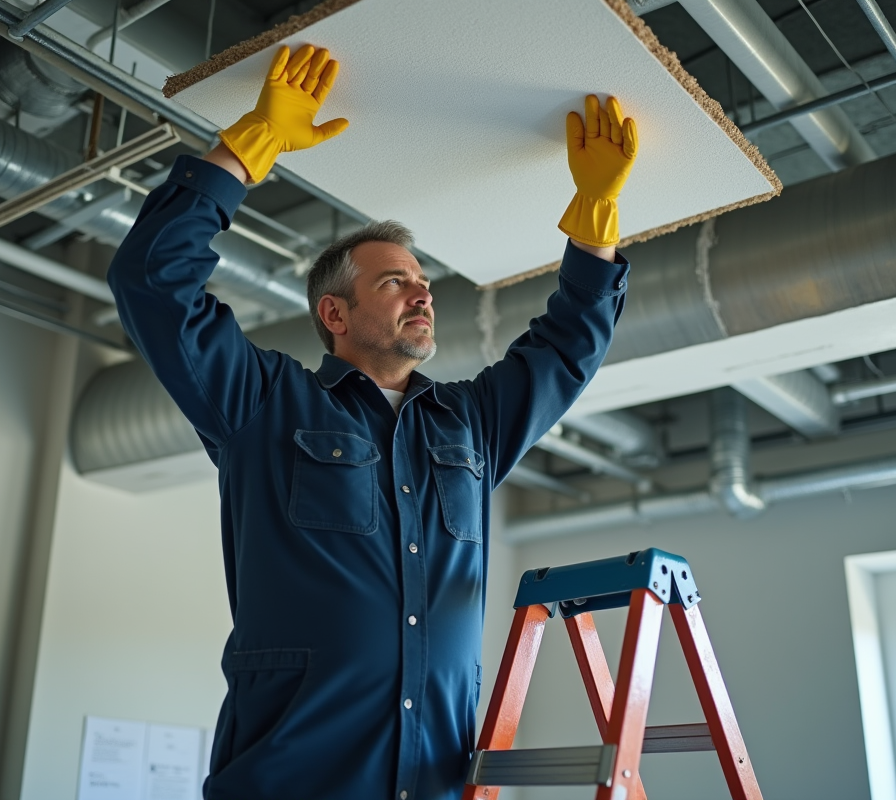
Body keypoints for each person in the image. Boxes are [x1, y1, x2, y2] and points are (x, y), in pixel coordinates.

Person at [109, 43, 638, 800]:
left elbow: (566, 351)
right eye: (395, 282)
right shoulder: (263, 404)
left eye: (423, 283)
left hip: (434, 782)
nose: (422, 295)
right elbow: (152, 282)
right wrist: (246, 147)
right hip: (292, 782)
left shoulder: (471, 426)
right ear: (335, 313)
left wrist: (595, 226)